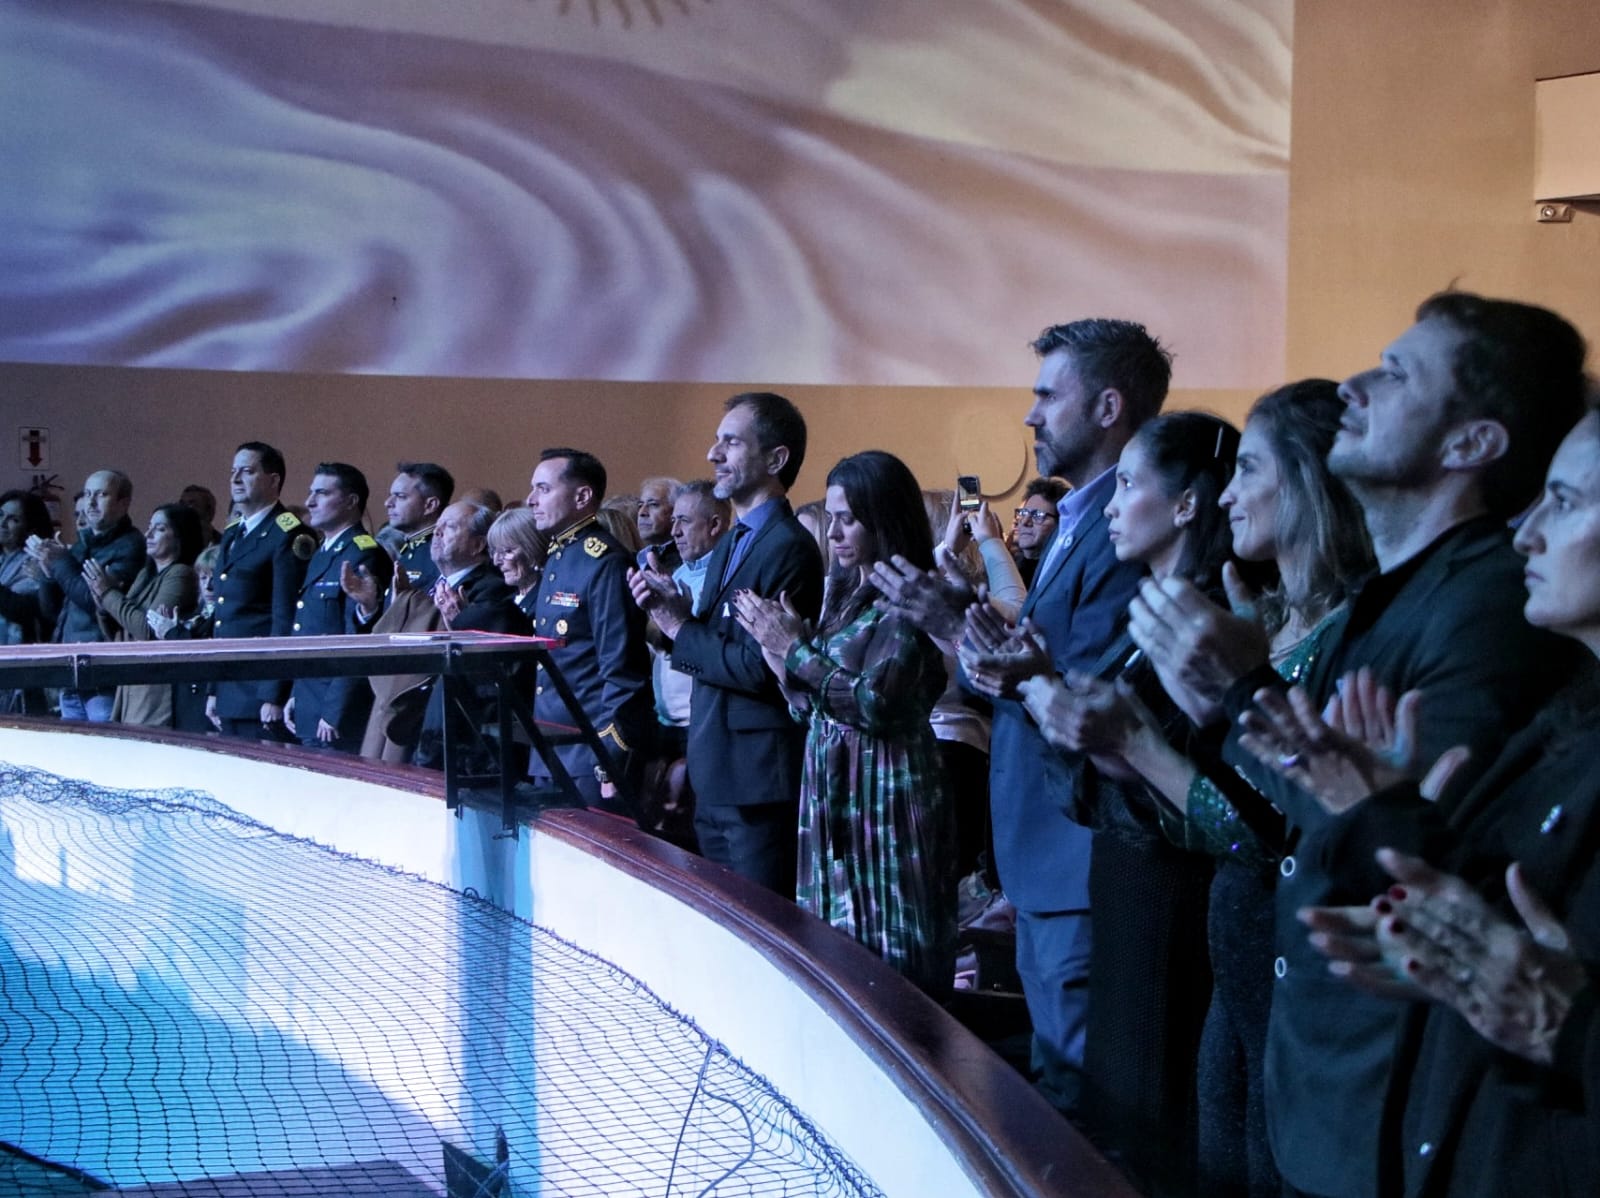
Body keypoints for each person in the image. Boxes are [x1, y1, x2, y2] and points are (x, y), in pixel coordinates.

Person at [1125, 293, 1585, 1198]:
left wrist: (1244, 698)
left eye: (1398, 373)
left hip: (1385, 1090)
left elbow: (1416, 860)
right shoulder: (1396, 592)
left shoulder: (1490, 604)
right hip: (1319, 1063)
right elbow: (1304, 818)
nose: (1355, 387)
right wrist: (1230, 711)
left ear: (1471, 443)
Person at [1238, 402, 1600, 1198]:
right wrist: (1382, 810)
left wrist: (1568, 1026)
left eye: (1567, 502)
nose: (1529, 533)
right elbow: (1505, 913)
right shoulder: (1568, 715)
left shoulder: (1486, 618)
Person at [875, 319, 1172, 1115]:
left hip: (1078, 856)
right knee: (1057, 1087)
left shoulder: (1123, 530)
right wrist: (963, 620)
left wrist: (956, 625)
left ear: (1108, 407)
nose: (1030, 415)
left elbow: (1083, 697)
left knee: (1081, 1105)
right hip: (1043, 857)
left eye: (1047, 396)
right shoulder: (1084, 521)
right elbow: (1024, 673)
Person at [987, 410, 1234, 1190]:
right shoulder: (1157, 605)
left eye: (1129, 486)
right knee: (1110, 1115)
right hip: (1124, 871)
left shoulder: (1205, 612)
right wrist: (1045, 693)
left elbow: (1203, 792)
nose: (1113, 506)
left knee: (1142, 1126)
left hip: (1165, 889)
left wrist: (1057, 702)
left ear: (1186, 504)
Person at [736, 450, 954, 994]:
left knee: (893, 954)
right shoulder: (846, 593)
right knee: (838, 955)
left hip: (886, 791)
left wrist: (795, 650)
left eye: (848, 519)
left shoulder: (912, 595)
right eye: (831, 518)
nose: (832, 533)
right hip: (834, 785)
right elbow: (815, 705)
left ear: (884, 519)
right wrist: (779, 657)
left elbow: (876, 702)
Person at [629, 392, 825, 897]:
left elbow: (763, 666)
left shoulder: (787, 546)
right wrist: (669, 615)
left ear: (775, 459)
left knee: (760, 924)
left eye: (731, 443)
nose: (712, 454)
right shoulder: (734, 540)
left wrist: (681, 628)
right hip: (716, 771)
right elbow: (715, 643)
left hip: (755, 780)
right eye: (717, 441)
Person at [526, 449, 652, 812]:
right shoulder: (560, 555)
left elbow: (621, 668)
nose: (532, 499)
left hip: (589, 753)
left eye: (544, 489)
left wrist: (610, 753)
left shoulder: (603, 561)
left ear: (582, 496)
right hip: (552, 742)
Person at [285, 463, 393, 753]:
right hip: (311, 697)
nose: (309, 501)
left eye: (321, 493)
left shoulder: (362, 553)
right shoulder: (325, 551)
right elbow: (308, 630)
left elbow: (357, 639)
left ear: (350, 501)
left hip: (335, 711)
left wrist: (336, 708)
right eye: (311, 493)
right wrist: (297, 693)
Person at [208, 442, 312, 741]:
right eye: (233, 471)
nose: (235, 479)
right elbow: (223, 617)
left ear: (273, 480)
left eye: (247, 471)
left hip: (258, 689)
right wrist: (214, 687)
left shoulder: (287, 533)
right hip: (229, 684)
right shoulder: (233, 532)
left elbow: (285, 618)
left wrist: (273, 692)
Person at [29, 469, 146, 721]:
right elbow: (52, 611)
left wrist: (60, 562)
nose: (90, 503)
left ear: (123, 503)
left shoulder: (130, 544)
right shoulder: (84, 542)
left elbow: (92, 601)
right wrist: (47, 573)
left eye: (101, 495)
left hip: (101, 672)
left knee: (104, 743)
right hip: (71, 669)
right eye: (88, 494)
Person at [90, 504, 204, 727]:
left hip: (155, 688)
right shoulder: (145, 574)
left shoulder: (181, 574)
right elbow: (121, 630)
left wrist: (107, 594)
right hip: (131, 683)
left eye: (159, 529)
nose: (148, 534)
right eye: (149, 527)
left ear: (180, 536)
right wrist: (102, 604)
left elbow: (146, 630)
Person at [0, 490, 55, 714]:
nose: (2, 523)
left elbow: (21, 608)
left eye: (13, 519)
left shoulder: (36, 563)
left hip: (20, 672)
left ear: (30, 528)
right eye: (0, 515)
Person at [384, 461, 454, 596]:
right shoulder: (410, 549)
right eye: (391, 495)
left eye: (400, 496)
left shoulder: (442, 554)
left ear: (430, 505)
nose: (388, 503)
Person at [486, 507, 545, 620]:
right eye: (494, 552)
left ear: (533, 550)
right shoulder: (504, 603)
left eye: (507, 551)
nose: (496, 561)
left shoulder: (547, 601)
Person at [1010, 477, 1069, 587]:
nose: (1025, 522)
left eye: (1037, 515)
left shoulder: (1063, 573)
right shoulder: (1009, 566)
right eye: (1023, 513)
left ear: (1060, 523)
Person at [635, 476, 682, 572]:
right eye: (640, 505)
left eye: (653, 504)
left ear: (675, 510)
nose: (642, 512)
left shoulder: (685, 558)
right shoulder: (638, 557)